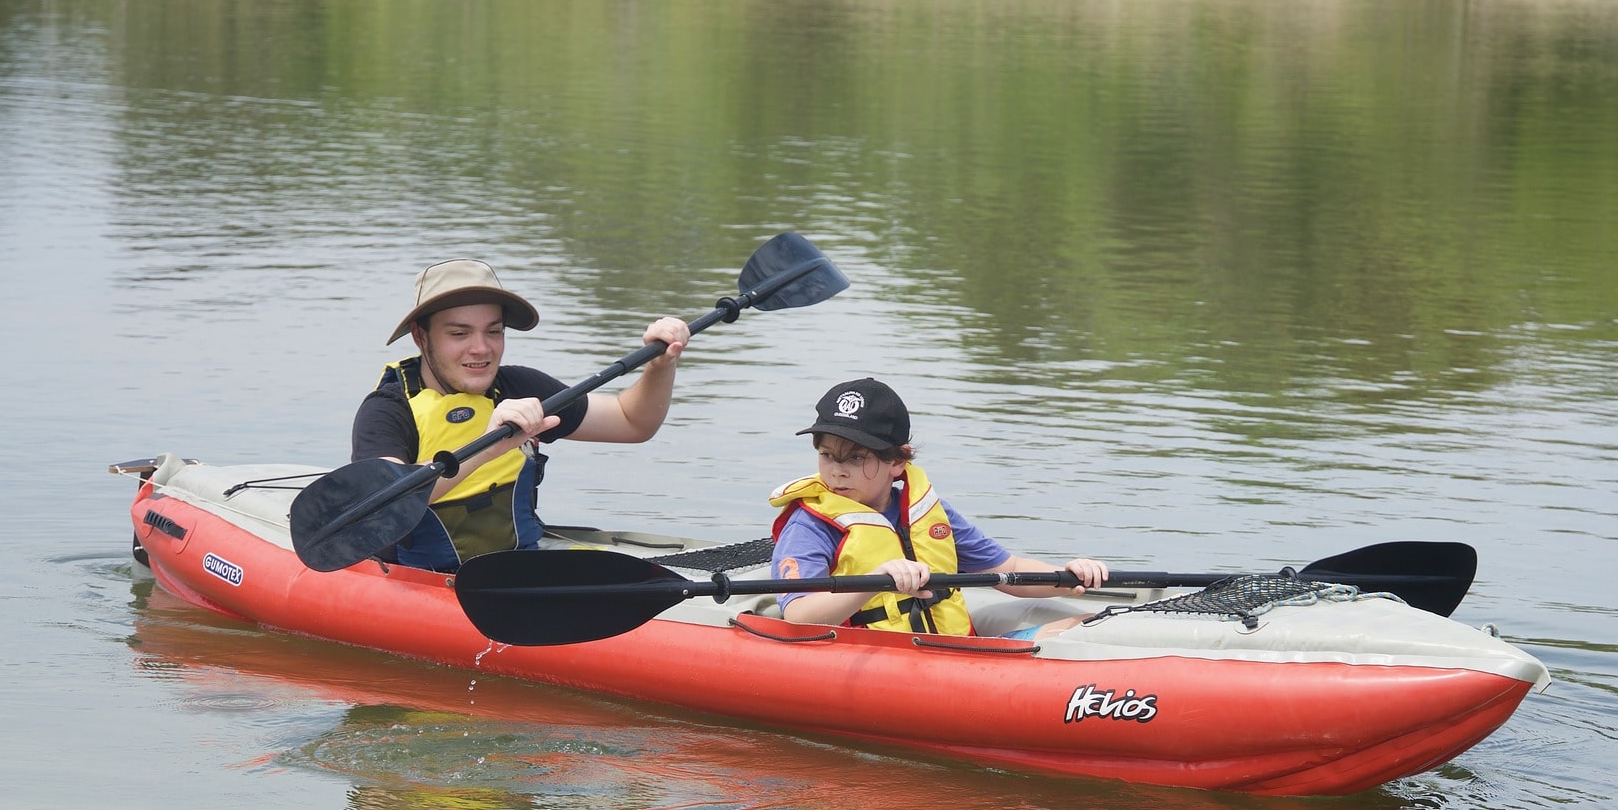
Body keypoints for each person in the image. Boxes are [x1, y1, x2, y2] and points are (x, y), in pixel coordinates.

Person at [351, 259, 692, 571]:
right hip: (415, 580)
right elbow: (381, 506)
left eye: (493, 331)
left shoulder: (519, 386)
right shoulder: (388, 409)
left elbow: (632, 422)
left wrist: (660, 365)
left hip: (516, 566)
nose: (481, 348)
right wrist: (488, 446)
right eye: (459, 333)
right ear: (421, 338)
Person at [770, 378, 1108, 634]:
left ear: (897, 463)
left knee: (1085, 627)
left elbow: (1009, 569)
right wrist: (873, 580)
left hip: (946, 652)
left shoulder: (925, 511)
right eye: (827, 455)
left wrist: (1068, 576)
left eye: (857, 458)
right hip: (865, 658)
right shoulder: (810, 526)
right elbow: (799, 615)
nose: (838, 470)